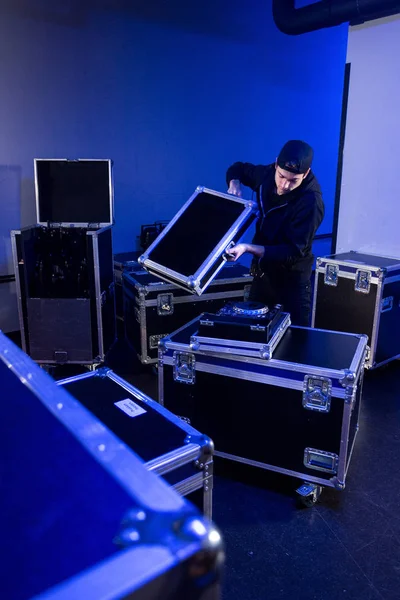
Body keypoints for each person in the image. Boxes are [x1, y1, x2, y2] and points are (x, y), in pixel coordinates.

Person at [225, 140, 324, 326]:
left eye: (294, 180)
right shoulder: (266, 174)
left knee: (294, 346)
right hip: (262, 279)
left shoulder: (312, 203)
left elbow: (293, 251)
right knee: (253, 338)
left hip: (292, 285)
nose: (285, 185)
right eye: (282, 176)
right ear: (276, 164)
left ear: (306, 174)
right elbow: (237, 168)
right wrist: (234, 184)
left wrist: (248, 248)